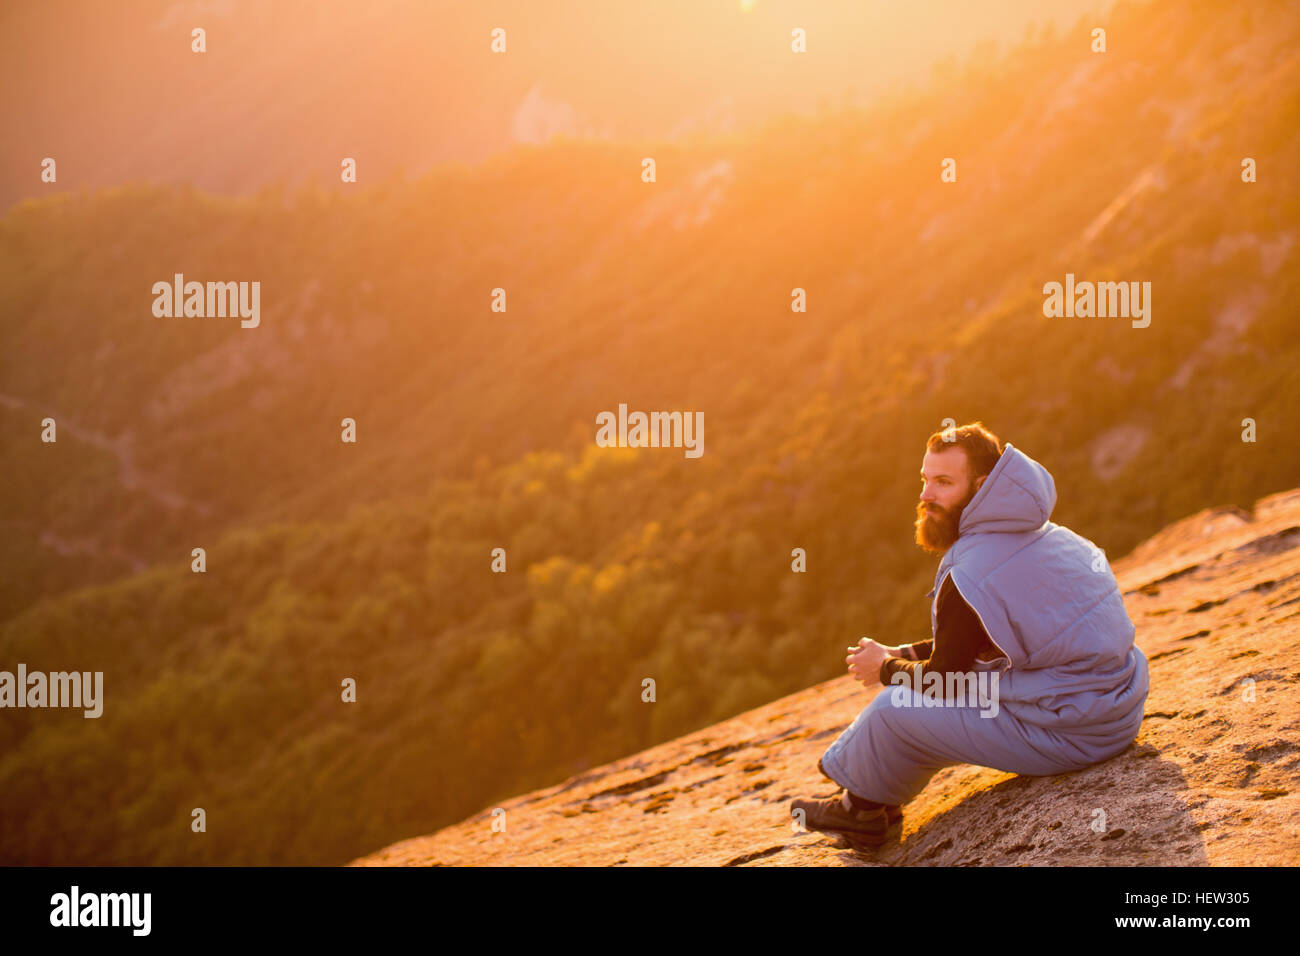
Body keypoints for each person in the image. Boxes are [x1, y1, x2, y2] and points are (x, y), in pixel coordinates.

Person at [791, 422, 1149, 846]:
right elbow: (987, 639)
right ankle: (878, 799)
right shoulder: (1053, 537)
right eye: (925, 480)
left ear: (981, 486)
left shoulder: (970, 570)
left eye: (944, 482)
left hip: (1072, 735)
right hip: (1116, 712)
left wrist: (885, 668)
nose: (926, 495)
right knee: (913, 700)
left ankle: (860, 812)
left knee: (896, 706)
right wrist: (901, 651)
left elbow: (945, 679)